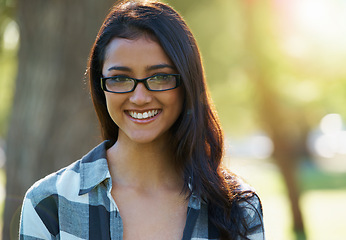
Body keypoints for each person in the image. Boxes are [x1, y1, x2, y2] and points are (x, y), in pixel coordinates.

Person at [19, 0, 265, 239]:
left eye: (159, 77)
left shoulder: (238, 209)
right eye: (120, 78)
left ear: (186, 84)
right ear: (100, 85)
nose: (139, 97)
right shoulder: (48, 204)